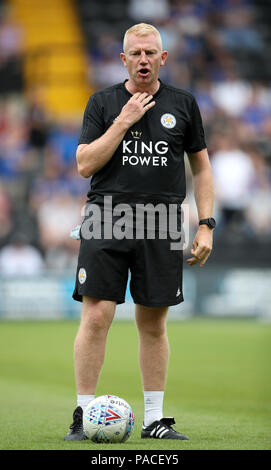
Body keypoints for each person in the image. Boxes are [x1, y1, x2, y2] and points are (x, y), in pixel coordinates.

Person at [64, 23, 215, 441]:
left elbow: (201, 167)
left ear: (163, 58)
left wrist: (205, 224)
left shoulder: (183, 103)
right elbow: (84, 164)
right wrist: (124, 120)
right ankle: (82, 414)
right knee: (97, 316)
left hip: (163, 220)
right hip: (106, 216)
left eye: (151, 52)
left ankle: (153, 421)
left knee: (153, 323)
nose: (143, 59)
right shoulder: (103, 102)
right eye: (136, 53)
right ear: (123, 59)